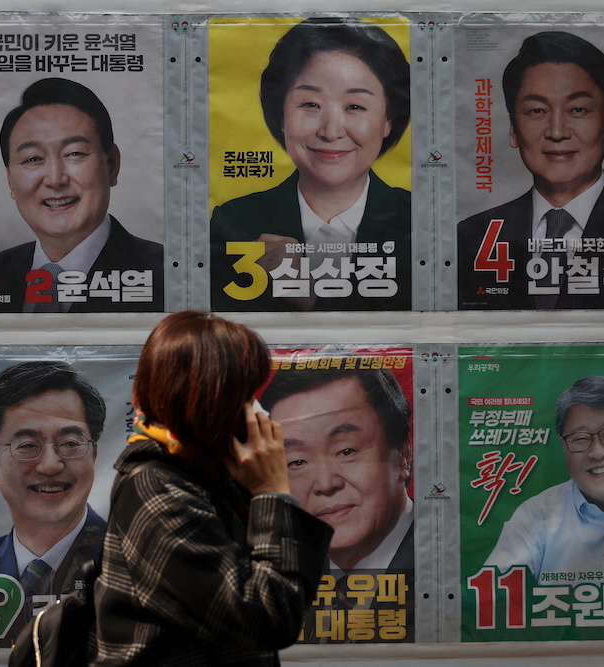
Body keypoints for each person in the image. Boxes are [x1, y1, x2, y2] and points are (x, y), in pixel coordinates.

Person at [92, 311, 332, 665]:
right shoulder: (157, 488)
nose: (258, 413)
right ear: (208, 401)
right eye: (245, 396)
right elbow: (268, 619)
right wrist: (272, 493)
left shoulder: (207, 477)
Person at [210, 17, 411, 312]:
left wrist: (312, 298)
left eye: (355, 107)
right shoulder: (235, 222)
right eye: (310, 104)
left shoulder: (421, 224)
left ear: (388, 120)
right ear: (280, 115)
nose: (331, 131)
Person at [457, 31, 604, 310]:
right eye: (537, 111)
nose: (557, 132)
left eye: (577, 109)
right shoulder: (472, 237)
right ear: (514, 130)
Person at [0, 78, 164, 313]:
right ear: (10, 180)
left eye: (74, 153)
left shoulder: (167, 274)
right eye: (33, 159)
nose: (55, 179)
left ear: (111, 165)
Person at [260, 366, 414, 642]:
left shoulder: (458, 564)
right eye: (296, 461)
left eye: (346, 450)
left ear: (402, 455)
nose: (324, 483)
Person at [0, 361, 107, 648]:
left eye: (70, 442)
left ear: (93, 455)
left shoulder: (136, 565)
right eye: (27, 445)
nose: (51, 465)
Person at [484, 376, 604, 582]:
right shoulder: (534, 515)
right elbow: (492, 595)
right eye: (580, 438)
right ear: (564, 448)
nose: (597, 452)